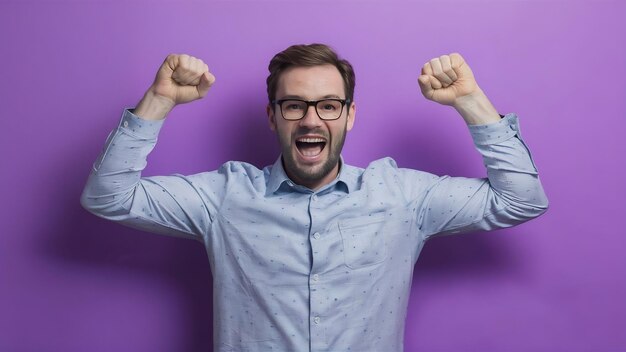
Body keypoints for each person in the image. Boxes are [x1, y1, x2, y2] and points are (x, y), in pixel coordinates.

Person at [81, 43, 548, 351]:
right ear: (273, 116)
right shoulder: (223, 196)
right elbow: (109, 196)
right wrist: (160, 100)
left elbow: (521, 200)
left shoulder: (403, 196)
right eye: (294, 105)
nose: (310, 120)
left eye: (328, 105)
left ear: (349, 116)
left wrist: (470, 101)